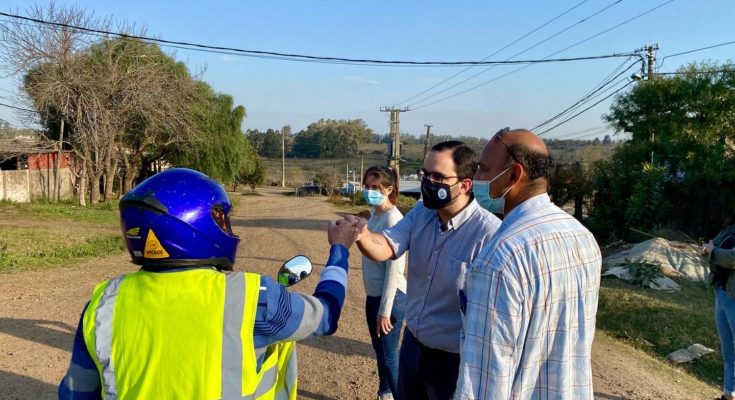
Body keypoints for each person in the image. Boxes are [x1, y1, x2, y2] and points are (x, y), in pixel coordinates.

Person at [58, 168, 355, 400]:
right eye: (221, 219)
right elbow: (326, 315)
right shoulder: (253, 297)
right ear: (197, 224)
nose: (226, 227)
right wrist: (339, 250)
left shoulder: (103, 303)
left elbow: (77, 391)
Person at [340, 141, 501, 400]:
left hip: (454, 362)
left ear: (465, 184)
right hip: (413, 347)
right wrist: (361, 233)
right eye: (426, 174)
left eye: (438, 176)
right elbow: (386, 246)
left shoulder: (488, 234)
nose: (429, 182)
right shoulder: (421, 213)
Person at [454, 128, 602, 399]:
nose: (475, 179)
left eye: (483, 170)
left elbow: (484, 379)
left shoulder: (499, 259)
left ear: (514, 175)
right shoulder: (583, 237)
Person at [361, 166, 408, 400]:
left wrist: (385, 311)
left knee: (389, 356)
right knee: (381, 353)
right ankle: (385, 393)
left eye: (376, 187)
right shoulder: (374, 214)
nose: (370, 191)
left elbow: (394, 270)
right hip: (375, 296)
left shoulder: (393, 219)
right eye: (367, 186)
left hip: (390, 298)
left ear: (389, 189)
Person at [703, 213, 735, 400]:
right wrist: (709, 249)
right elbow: (710, 245)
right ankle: (729, 394)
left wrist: (712, 252)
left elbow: (732, 259)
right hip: (721, 293)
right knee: (728, 351)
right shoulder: (729, 227)